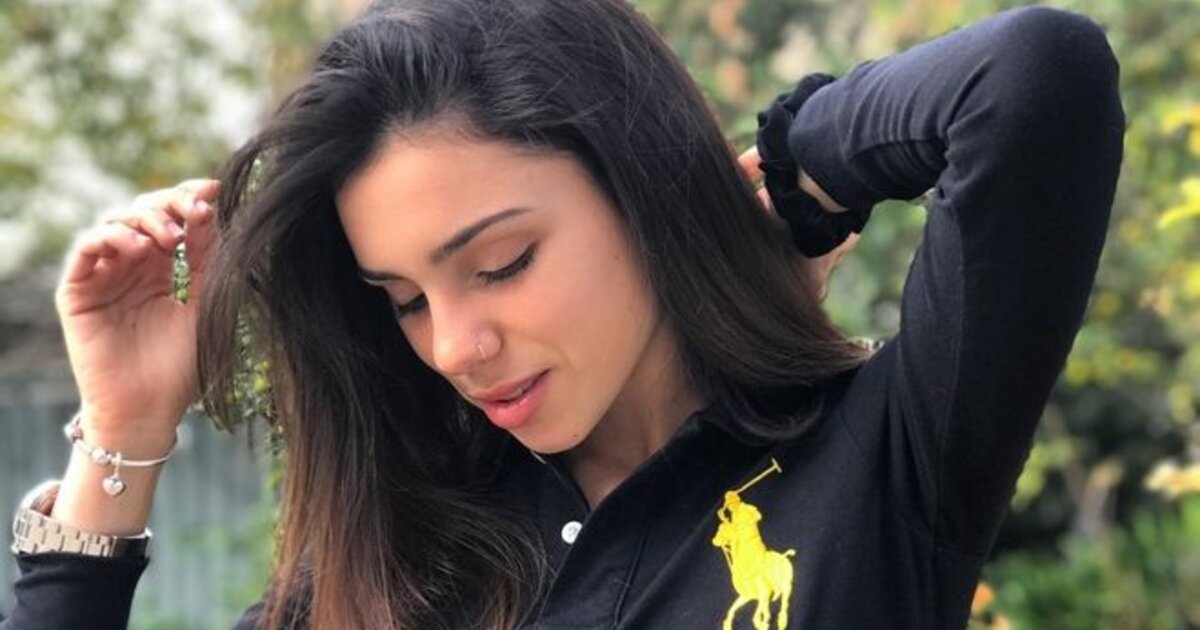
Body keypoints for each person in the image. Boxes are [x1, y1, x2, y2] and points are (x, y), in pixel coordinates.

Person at [4, 0, 1124, 628]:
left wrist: (788, 187)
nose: (456, 346)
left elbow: (1031, 78)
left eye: (501, 264)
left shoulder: (881, 454)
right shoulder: (396, 560)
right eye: (405, 302)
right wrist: (127, 431)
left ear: (644, 190)